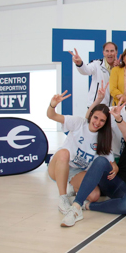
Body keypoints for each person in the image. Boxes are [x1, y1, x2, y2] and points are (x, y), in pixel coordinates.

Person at [46, 90, 114, 226]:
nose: (97, 122)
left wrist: (115, 167)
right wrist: (52, 105)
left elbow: (110, 161)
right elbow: (51, 116)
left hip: (76, 172)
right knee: (65, 153)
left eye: (102, 120)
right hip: (59, 165)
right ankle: (63, 197)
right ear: (91, 116)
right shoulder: (78, 123)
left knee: (94, 196)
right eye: (95, 118)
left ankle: (73, 189)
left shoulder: (104, 138)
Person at [69, 42, 117, 107]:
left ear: (116, 53)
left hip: (113, 107)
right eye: (107, 51)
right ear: (103, 53)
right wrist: (79, 63)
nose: (109, 54)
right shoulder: (96, 64)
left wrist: (119, 68)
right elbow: (86, 70)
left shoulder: (121, 67)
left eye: (112, 51)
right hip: (95, 106)